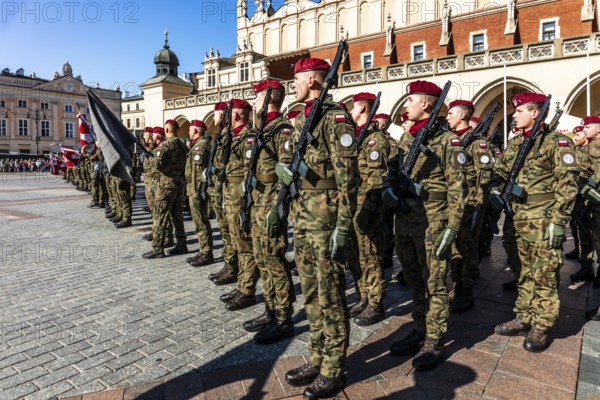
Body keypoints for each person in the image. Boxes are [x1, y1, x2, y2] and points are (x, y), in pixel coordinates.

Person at [270, 58, 358, 399]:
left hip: (326, 219)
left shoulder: (336, 118)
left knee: (331, 295)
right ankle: (318, 357)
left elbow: (348, 178)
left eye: (297, 79)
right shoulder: (305, 117)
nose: (293, 85)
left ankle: (334, 369)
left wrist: (344, 227)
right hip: (304, 219)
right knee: (311, 294)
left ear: (313, 80)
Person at [382, 80, 467, 371]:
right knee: (414, 279)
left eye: (410, 101)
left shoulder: (447, 141)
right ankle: (419, 328)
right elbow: (392, 169)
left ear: (426, 104)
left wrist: (452, 227)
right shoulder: (408, 138)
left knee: (434, 282)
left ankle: (434, 339)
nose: (405, 106)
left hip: (433, 219)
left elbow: (458, 187)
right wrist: (387, 187)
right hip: (405, 218)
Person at [490, 93, 578, 352]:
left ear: (535, 113)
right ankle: (524, 315)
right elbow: (501, 171)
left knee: (544, 273)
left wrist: (560, 221)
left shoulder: (556, 142)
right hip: (516, 218)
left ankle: (542, 324)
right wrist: (495, 187)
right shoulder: (517, 143)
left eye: (519, 111)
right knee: (522, 269)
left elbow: (568, 185)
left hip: (542, 219)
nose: (514, 115)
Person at [243, 80, 297, 345]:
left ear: (268, 98)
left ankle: (284, 318)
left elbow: (286, 173)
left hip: (269, 203)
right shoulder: (261, 128)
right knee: (262, 259)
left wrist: (278, 207)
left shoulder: (282, 129)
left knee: (275, 261)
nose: (253, 102)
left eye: (257, 97)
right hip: (256, 200)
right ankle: (270, 309)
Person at [445, 100, 494, 313]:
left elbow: (485, 178)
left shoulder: (476, 144)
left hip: (470, 203)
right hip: (452, 202)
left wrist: (478, 207)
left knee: (467, 248)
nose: (447, 117)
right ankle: (456, 283)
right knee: (454, 248)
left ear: (462, 115)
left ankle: (467, 291)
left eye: (451, 113)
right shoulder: (450, 140)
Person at [347, 92, 390, 326]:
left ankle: (376, 302)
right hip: (353, 204)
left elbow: (376, 178)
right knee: (356, 255)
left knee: (370, 255)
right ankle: (363, 294)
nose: (350, 113)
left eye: (353, 108)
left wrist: (367, 210)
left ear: (362, 108)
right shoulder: (357, 137)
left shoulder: (375, 140)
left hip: (367, 205)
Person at [142, 120, 189, 259]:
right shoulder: (183, 146)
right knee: (177, 216)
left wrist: (152, 150)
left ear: (167, 130)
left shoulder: (165, 145)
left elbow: (155, 165)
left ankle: (158, 248)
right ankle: (182, 244)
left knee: (160, 216)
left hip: (166, 185)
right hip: (180, 184)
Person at [206, 102, 240, 285]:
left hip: (229, 191)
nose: (214, 118)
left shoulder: (232, 136)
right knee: (225, 231)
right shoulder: (221, 136)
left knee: (231, 233)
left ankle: (234, 267)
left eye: (216, 114)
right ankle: (229, 264)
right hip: (220, 189)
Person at [569, 124, 596, 283]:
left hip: (590, 199)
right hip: (579, 197)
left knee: (593, 234)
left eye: (578, 134)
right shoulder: (578, 150)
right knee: (582, 231)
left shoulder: (593, 150)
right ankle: (585, 265)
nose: (576, 137)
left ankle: (591, 267)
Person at [185, 120, 214, 267]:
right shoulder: (197, 145)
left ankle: (206, 252)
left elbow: (198, 173)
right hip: (194, 190)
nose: (189, 133)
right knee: (199, 222)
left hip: (197, 191)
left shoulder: (201, 147)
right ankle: (203, 250)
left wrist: (197, 192)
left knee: (201, 222)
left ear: (195, 131)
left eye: (190, 130)